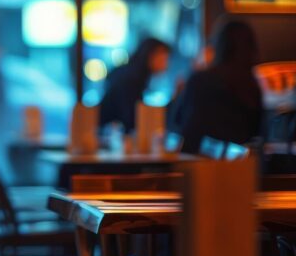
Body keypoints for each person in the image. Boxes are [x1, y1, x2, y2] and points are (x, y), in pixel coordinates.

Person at [170, 20, 263, 155]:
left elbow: (177, 121)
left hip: (194, 165)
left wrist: (179, 93)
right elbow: (255, 131)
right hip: (236, 169)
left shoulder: (200, 79)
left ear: (218, 45)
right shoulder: (252, 86)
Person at [97, 38, 171, 132]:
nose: (166, 64)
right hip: (106, 136)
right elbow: (132, 119)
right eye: (164, 58)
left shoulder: (130, 72)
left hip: (106, 132)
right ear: (151, 55)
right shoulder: (133, 79)